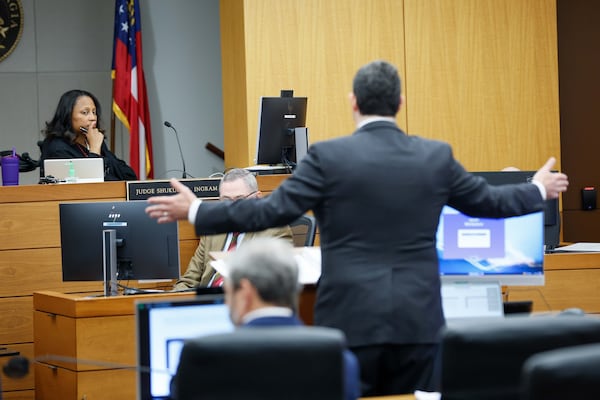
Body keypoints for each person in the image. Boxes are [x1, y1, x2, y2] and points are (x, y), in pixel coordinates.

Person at [146, 60, 569, 396]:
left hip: (350, 319)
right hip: (417, 323)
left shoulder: (329, 158)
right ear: (400, 102)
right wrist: (535, 188)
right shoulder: (434, 156)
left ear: (353, 102)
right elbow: (491, 204)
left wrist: (199, 211)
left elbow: (270, 211)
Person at [222, 237, 360, 400]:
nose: (226, 303)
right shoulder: (339, 361)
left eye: (228, 293)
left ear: (246, 294)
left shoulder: (208, 361)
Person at [173, 168, 293, 290]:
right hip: (206, 303)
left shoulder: (274, 231)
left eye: (240, 199)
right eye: (226, 200)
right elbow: (189, 281)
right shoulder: (213, 230)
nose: (232, 207)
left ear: (258, 198)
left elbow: (272, 286)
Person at [39, 89, 137, 181]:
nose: (93, 118)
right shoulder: (56, 147)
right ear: (68, 116)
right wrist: (94, 151)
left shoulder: (93, 141)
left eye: (94, 112)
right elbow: (87, 185)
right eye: (85, 113)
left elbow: (129, 176)